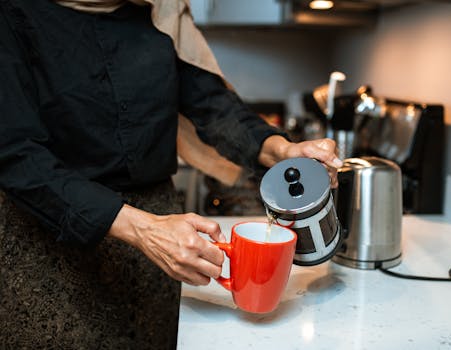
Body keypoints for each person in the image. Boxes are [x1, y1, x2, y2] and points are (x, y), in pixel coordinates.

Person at [0, 0, 342, 348]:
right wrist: (142, 228)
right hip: (51, 246)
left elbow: (212, 106)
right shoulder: (12, 13)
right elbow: (16, 156)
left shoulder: (159, 8)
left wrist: (281, 150)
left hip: (158, 244)